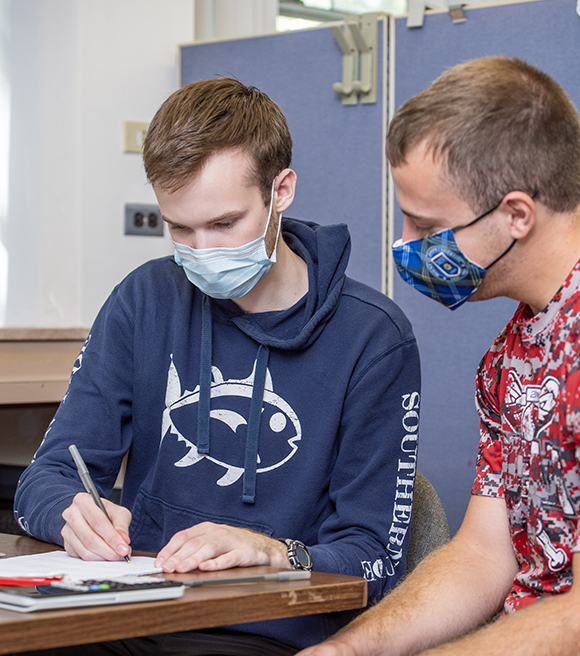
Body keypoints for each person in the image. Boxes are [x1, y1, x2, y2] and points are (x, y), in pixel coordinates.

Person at [14, 77, 421, 655]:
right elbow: (44, 479)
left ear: (281, 191)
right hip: (129, 617)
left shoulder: (373, 339)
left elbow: (375, 554)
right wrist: (68, 513)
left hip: (264, 633)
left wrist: (278, 552)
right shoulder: (144, 299)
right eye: (179, 228)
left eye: (225, 224)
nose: (201, 252)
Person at [297, 55, 580, 656]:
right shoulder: (512, 357)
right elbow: (484, 553)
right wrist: (350, 649)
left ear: (516, 215)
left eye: (426, 226)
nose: (406, 243)